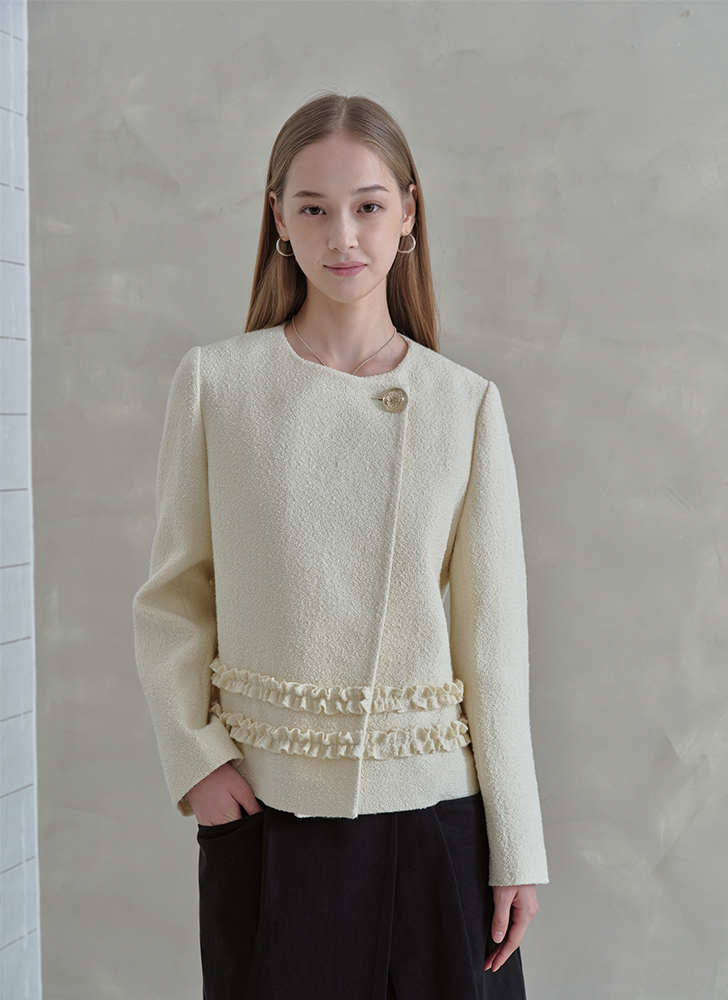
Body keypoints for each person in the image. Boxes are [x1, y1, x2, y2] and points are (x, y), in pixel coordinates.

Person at [132, 92, 549, 1000]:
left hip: (435, 816)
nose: (343, 236)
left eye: (367, 205)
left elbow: (494, 645)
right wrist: (198, 761)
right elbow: (173, 597)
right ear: (278, 219)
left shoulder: (463, 404)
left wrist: (516, 842)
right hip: (272, 812)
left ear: (408, 214)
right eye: (314, 208)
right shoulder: (218, 385)